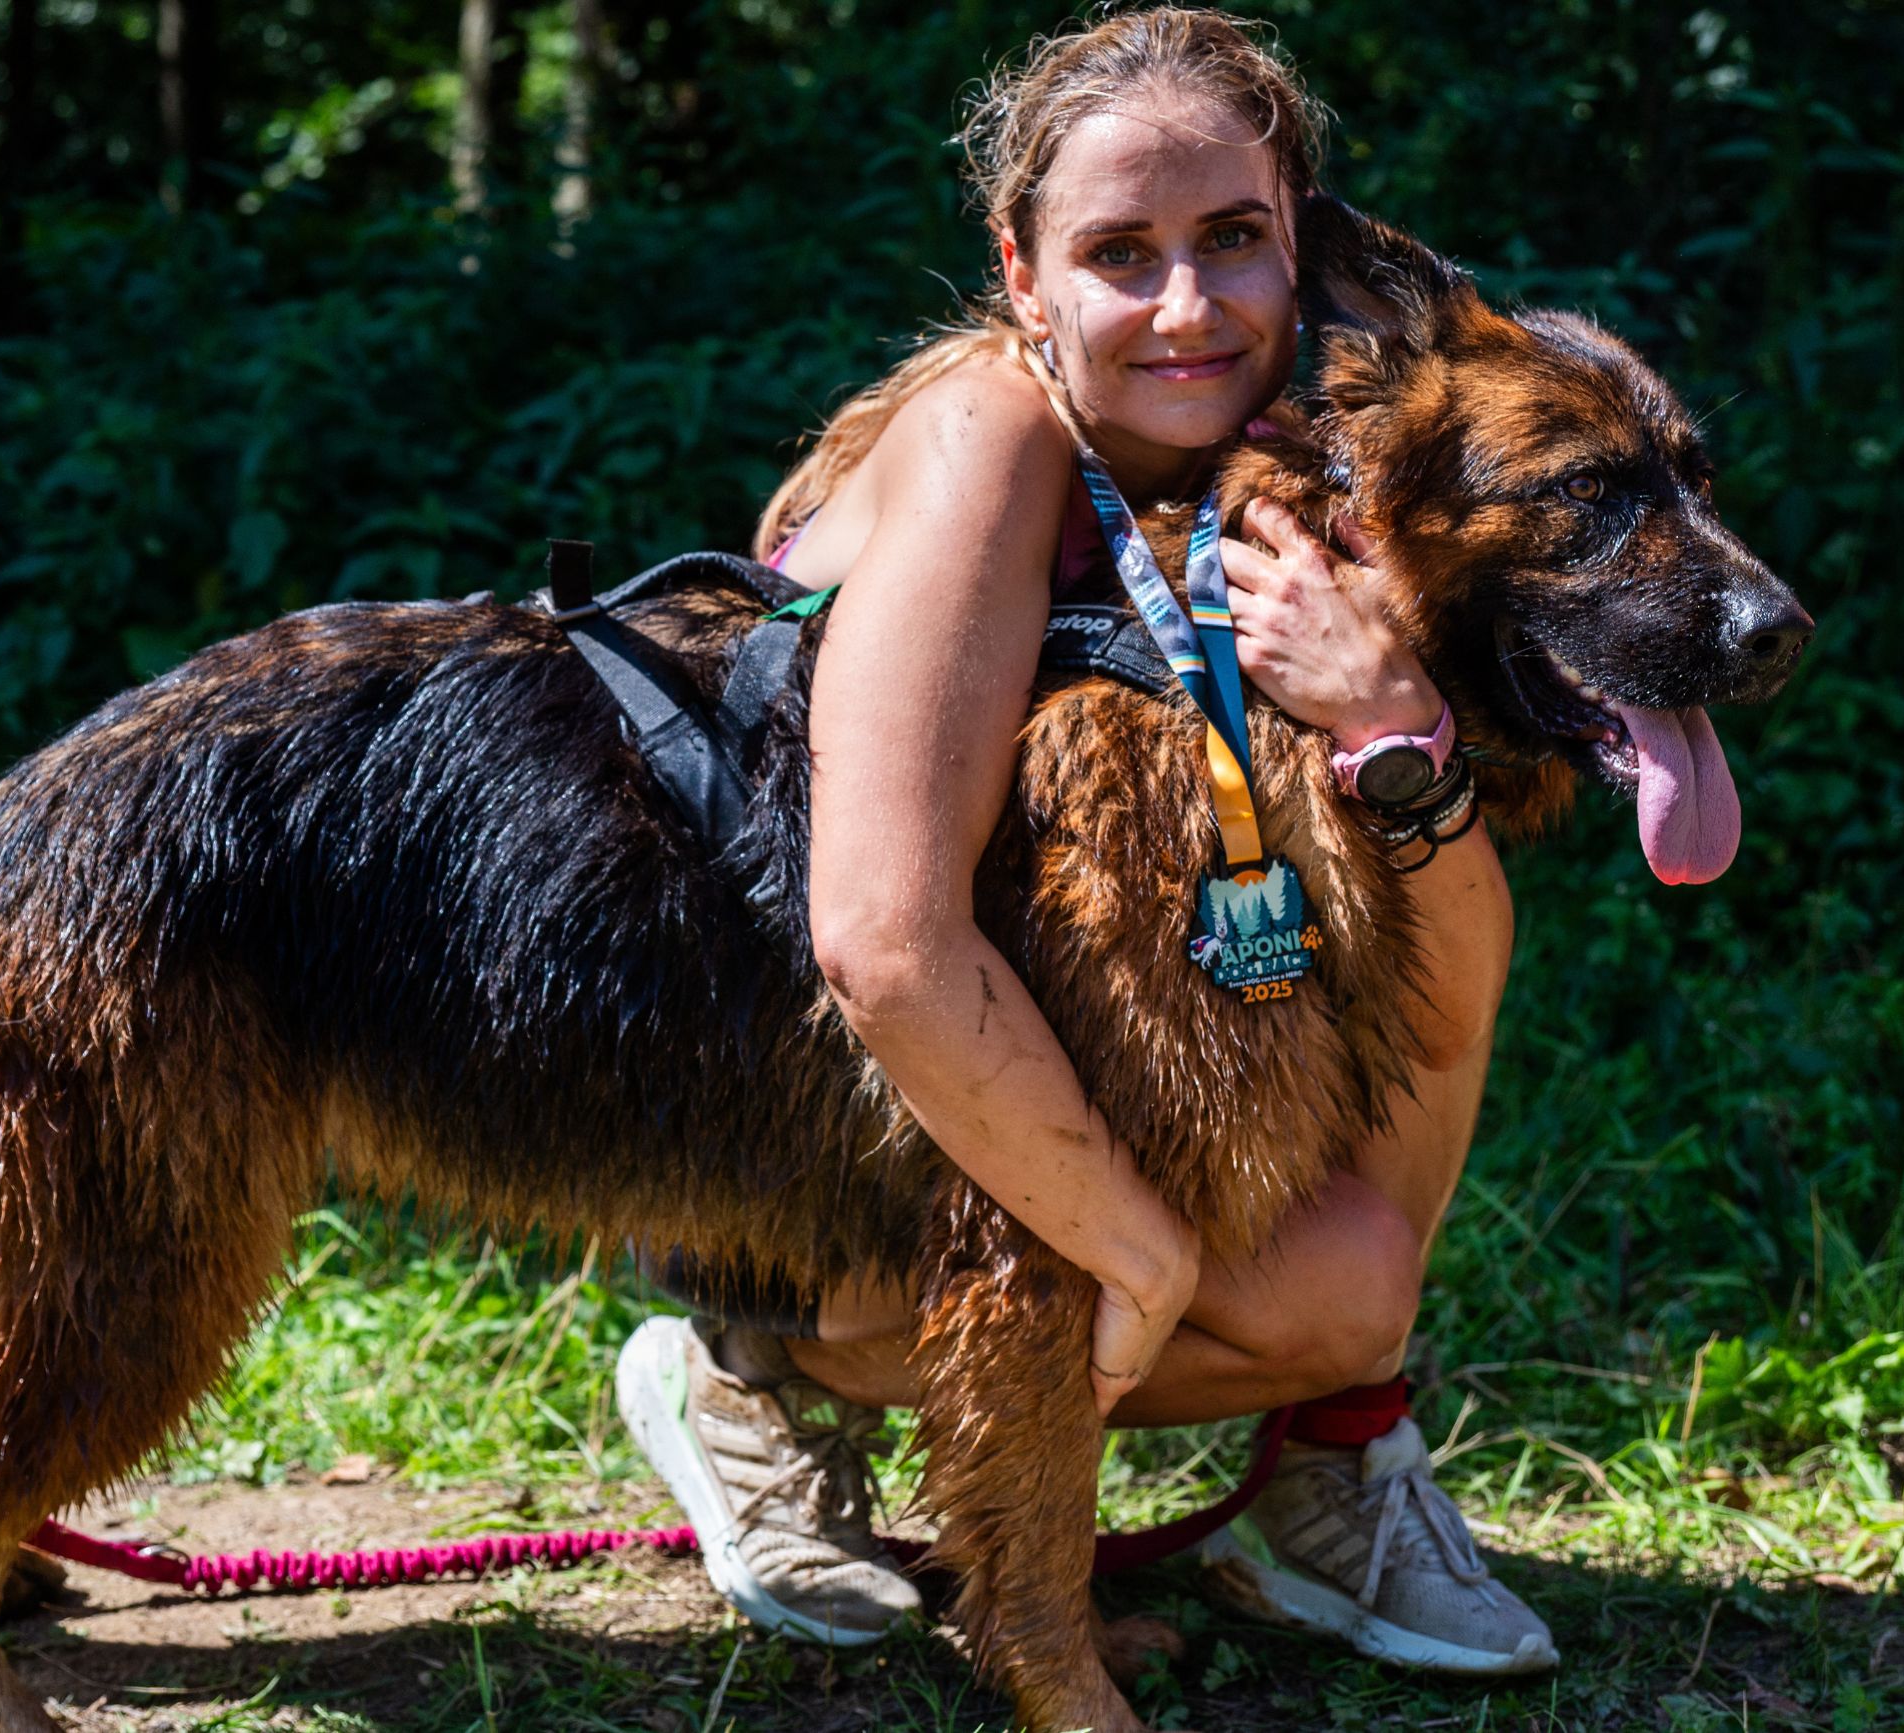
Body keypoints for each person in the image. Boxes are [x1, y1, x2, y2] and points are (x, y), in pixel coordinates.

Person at [610, 6, 1552, 1677]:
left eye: (1234, 237)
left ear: (1301, 244)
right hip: (808, 1129)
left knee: (1350, 1291)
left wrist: (1389, 717)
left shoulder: (1299, 469)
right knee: (1208, 1276)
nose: (1190, 306)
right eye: (1121, 253)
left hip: (1033, 1074)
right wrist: (1137, 1248)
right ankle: (749, 1372)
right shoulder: (986, 438)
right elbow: (883, 946)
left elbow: (1445, 1007)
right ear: (1023, 273)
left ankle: (1340, 1446)